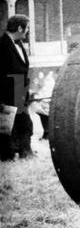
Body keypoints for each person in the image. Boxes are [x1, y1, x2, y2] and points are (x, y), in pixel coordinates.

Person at [1, 14, 33, 160]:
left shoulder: (18, 43)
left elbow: (22, 68)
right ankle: (10, 154)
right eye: (27, 28)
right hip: (8, 91)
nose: (28, 32)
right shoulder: (2, 45)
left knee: (23, 123)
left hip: (19, 88)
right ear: (20, 28)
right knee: (9, 126)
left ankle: (24, 151)